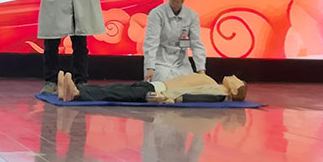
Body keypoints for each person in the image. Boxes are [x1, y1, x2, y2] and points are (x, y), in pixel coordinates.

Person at [56, 70, 248, 104]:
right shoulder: (212, 82)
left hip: (158, 91)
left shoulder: (217, 91)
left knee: (116, 92)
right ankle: (72, 90)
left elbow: (193, 96)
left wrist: (168, 98)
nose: (233, 76)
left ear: (234, 90)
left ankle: (77, 93)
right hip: (157, 85)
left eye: (237, 80)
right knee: (117, 88)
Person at [144, 0, 205, 82]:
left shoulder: (192, 15)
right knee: (163, 84)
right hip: (160, 63)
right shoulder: (157, 14)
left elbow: (196, 44)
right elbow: (151, 42)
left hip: (182, 64)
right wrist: (150, 67)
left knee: (190, 85)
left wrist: (201, 70)